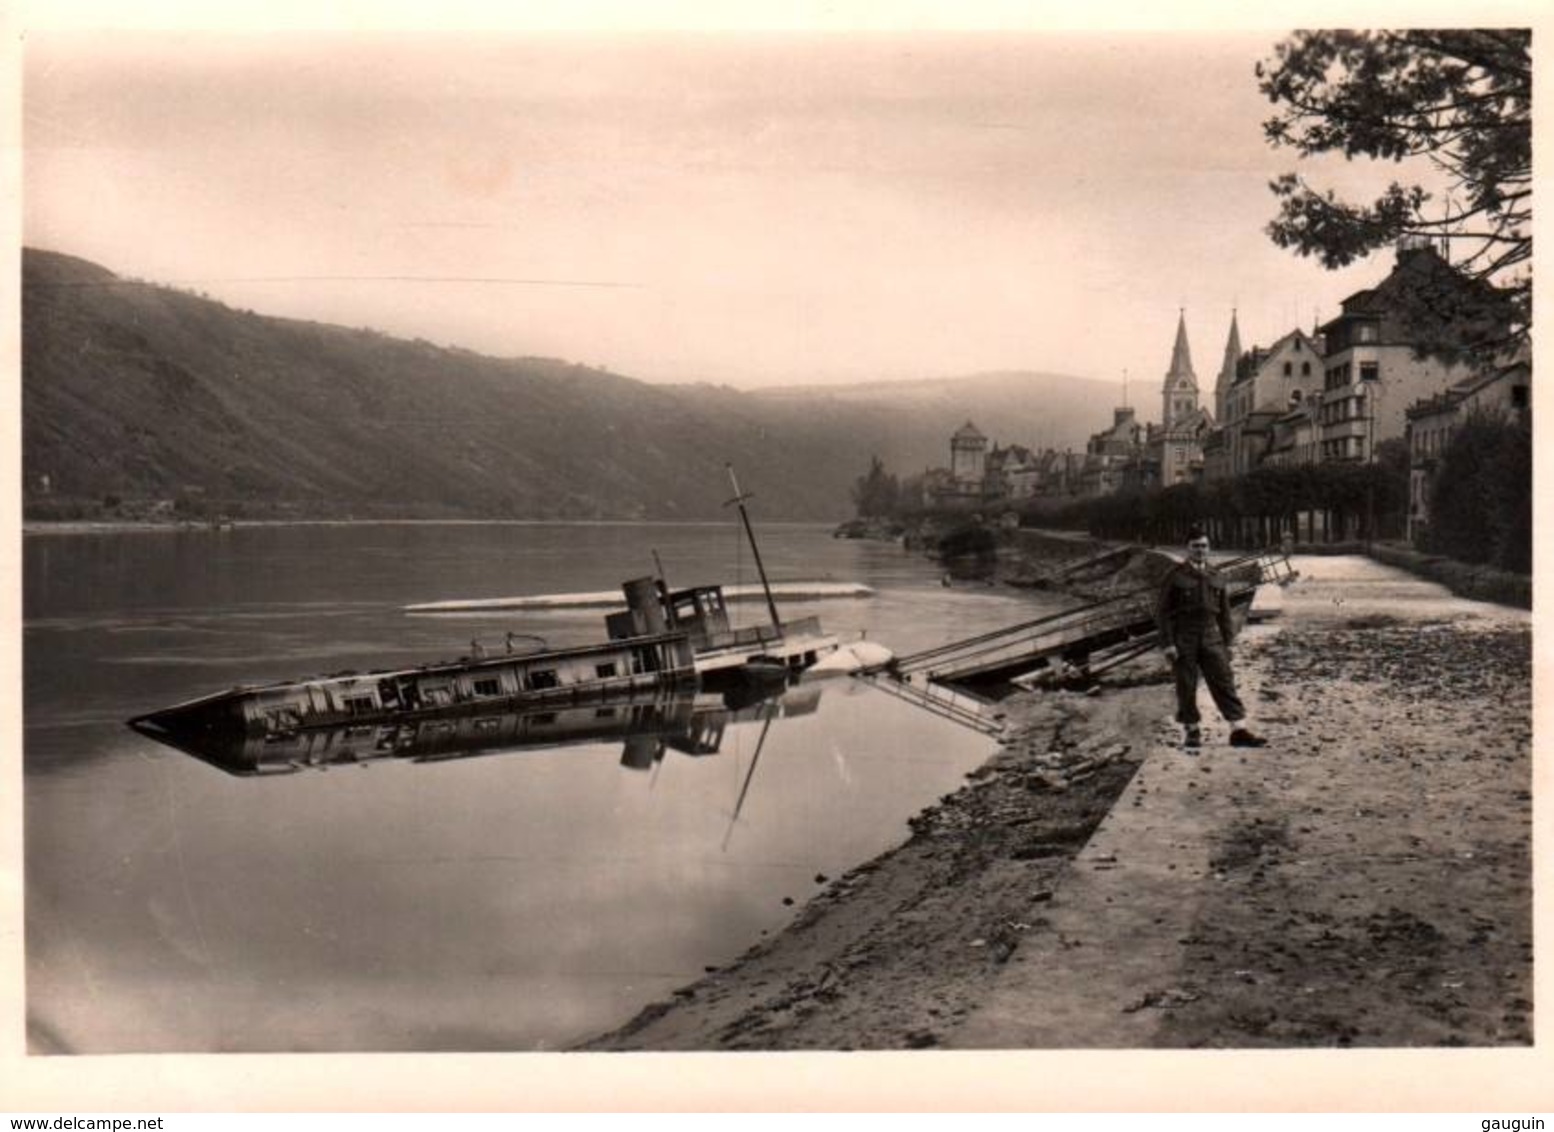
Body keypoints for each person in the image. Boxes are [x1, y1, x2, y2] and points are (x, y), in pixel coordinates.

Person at [1155, 526, 1267, 751]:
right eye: (1195, 546)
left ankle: (1238, 730)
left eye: (1204, 546)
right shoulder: (1175, 576)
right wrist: (1168, 643)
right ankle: (1192, 730)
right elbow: (1162, 613)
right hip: (1183, 637)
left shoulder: (1217, 575)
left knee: (1224, 681)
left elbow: (1224, 613)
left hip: (1211, 636)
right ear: (1187, 548)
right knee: (1186, 685)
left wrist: (1228, 642)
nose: (1200, 550)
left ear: (1209, 548)